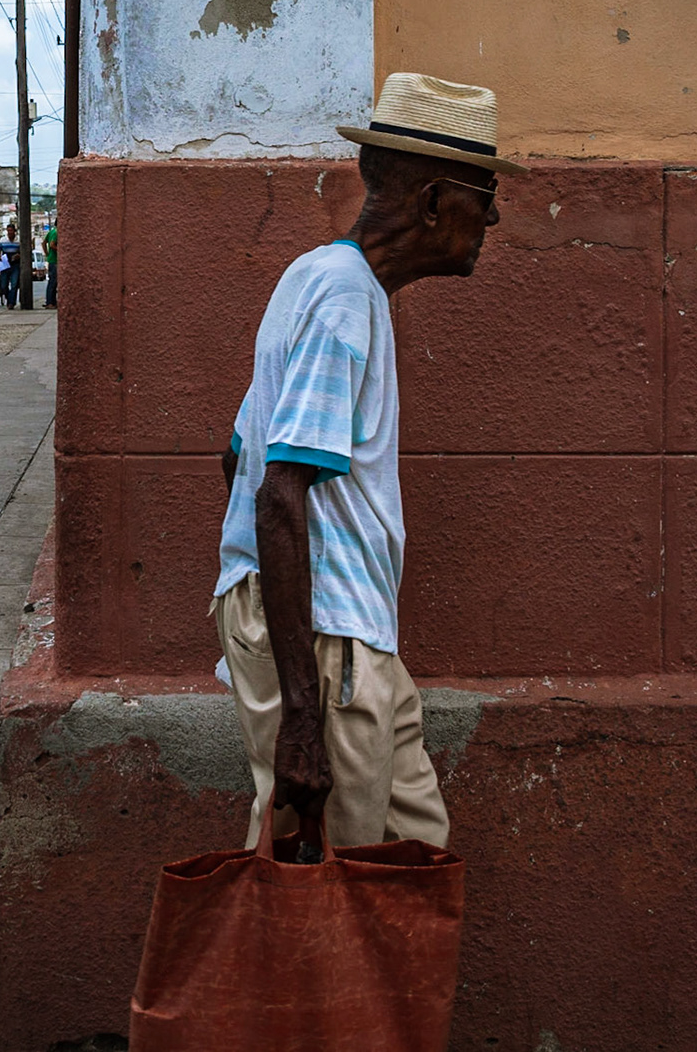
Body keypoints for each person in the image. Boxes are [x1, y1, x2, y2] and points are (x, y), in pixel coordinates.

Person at [214, 72, 526, 853]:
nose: (492, 213)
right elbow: (276, 493)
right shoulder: (344, 297)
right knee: (333, 888)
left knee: (412, 848)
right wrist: (302, 712)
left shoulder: (322, 281)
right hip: (331, 644)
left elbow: (239, 457)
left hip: (351, 636)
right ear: (430, 202)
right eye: (481, 191)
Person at [0, 223, 20, 307]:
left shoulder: (18, 240)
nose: (10, 232)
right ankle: (9, 298)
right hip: (5, 264)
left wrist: (18, 255)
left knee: (14, 284)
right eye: (8, 231)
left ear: (14, 231)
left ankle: (11, 302)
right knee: (3, 284)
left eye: (11, 231)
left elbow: (23, 251)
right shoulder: (3, 240)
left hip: (15, 264)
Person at [43, 219, 58, 308]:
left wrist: (47, 254)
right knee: (53, 282)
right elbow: (52, 245)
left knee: (52, 282)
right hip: (55, 260)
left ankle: (51, 301)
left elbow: (44, 243)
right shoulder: (56, 232)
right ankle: (50, 302)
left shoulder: (51, 231)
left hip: (51, 259)